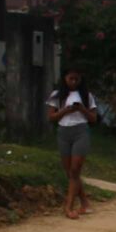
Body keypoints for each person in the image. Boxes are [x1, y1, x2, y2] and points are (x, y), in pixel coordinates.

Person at [46, 68, 98, 219]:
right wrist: (65, 111)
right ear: (65, 78)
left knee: (75, 169)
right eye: (71, 79)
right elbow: (51, 117)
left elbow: (93, 118)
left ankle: (68, 207)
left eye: (77, 79)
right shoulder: (57, 95)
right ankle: (84, 203)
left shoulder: (86, 96)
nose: (74, 82)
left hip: (81, 131)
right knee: (70, 172)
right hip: (63, 132)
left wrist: (81, 109)